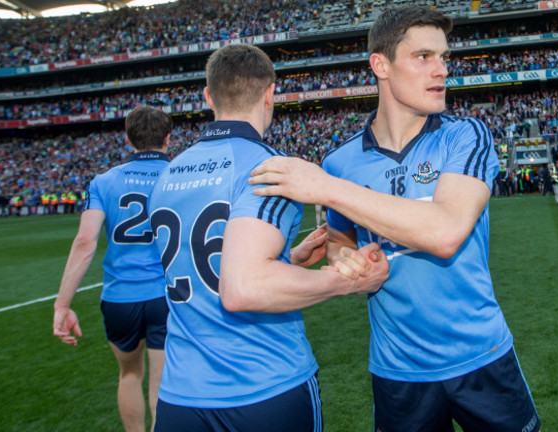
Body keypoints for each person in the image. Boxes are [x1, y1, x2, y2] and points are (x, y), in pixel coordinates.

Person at [249, 6, 540, 432]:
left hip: (481, 356)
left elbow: (445, 233)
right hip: (398, 371)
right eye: (424, 57)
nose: (441, 70)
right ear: (380, 65)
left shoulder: (466, 135)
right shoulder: (340, 161)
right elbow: (341, 245)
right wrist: (349, 260)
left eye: (444, 58)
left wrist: (327, 188)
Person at [147, 43, 389, 432]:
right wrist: (348, 279)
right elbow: (243, 288)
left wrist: (285, 259)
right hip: (262, 384)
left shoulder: (168, 174)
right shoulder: (271, 169)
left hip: (180, 395)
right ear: (270, 93)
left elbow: (207, 263)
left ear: (209, 96)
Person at [53, 106, 174, 432]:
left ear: (127, 139)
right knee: (162, 382)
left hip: (120, 297)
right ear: (167, 137)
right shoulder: (178, 175)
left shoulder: (104, 181)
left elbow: (84, 242)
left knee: (129, 374)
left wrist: (62, 304)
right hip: (166, 295)